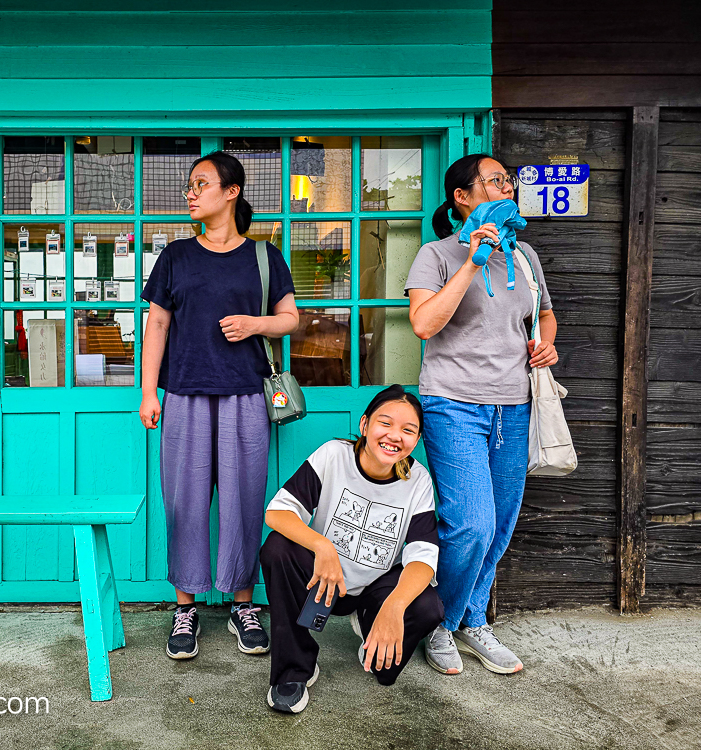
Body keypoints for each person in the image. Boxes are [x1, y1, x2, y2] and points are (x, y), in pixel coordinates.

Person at [140, 151, 299, 660]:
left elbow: (290, 319)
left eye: (200, 184)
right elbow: (157, 325)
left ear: (231, 192)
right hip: (184, 394)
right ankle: (185, 606)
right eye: (189, 185)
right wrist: (148, 391)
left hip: (246, 395)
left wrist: (255, 325)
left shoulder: (264, 257)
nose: (190, 192)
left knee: (242, 500)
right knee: (184, 500)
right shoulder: (175, 257)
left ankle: (242, 604)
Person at [405, 154, 559, 676]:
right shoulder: (437, 255)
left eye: (507, 180)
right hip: (454, 403)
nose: (506, 187)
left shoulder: (526, 257)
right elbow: (424, 323)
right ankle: (440, 624)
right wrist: (472, 260)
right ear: (462, 197)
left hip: (514, 407)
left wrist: (546, 346)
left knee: (500, 525)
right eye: (494, 181)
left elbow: (543, 315)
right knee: (470, 522)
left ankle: (473, 620)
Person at [261, 386, 443, 713]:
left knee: (427, 610)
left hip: (375, 586)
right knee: (277, 549)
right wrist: (323, 547)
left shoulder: (417, 480)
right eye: (384, 423)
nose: (394, 436)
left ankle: (370, 626)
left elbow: (423, 558)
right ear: (365, 425)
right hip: (324, 580)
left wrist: (395, 607)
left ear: (416, 441)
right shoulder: (335, 455)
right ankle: (295, 669)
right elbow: (277, 512)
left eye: (408, 430)